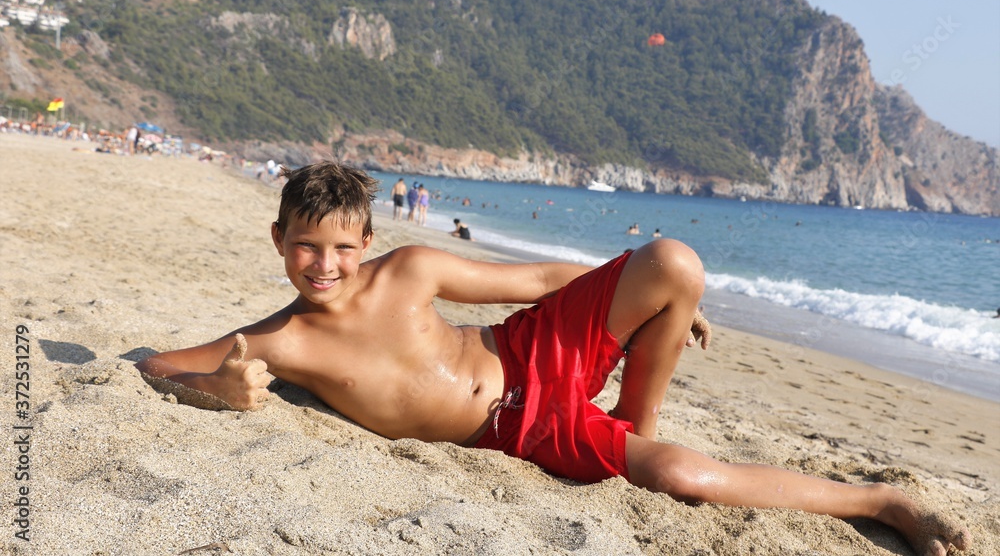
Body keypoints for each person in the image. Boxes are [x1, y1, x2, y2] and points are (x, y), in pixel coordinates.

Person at [136, 162, 970, 556]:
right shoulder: (283, 340)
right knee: (681, 476)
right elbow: (156, 363)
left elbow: (535, 278)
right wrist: (219, 387)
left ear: (367, 240)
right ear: (279, 241)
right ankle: (883, 502)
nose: (324, 265)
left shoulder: (410, 269)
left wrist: (650, 298)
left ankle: (633, 424)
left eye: (340, 247)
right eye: (306, 248)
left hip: (526, 346)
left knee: (674, 261)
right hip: (519, 427)